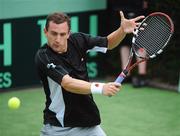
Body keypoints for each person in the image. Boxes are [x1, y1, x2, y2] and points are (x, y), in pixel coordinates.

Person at [35, 11, 144, 136]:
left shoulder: (78, 40)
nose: (58, 39)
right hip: (58, 127)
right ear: (45, 32)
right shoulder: (43, 56)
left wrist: (122, 30)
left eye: (62, 34)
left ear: (68, 34)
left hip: (88, 124)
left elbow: (108, 43)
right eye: (54, 34)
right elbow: (67, 83)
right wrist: (101, 87)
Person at [118, 0, 149, 87]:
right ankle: (126, 75)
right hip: (121, 8)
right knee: (124, 43)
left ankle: (142, 76)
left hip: (138, 7)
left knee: (140, 42)